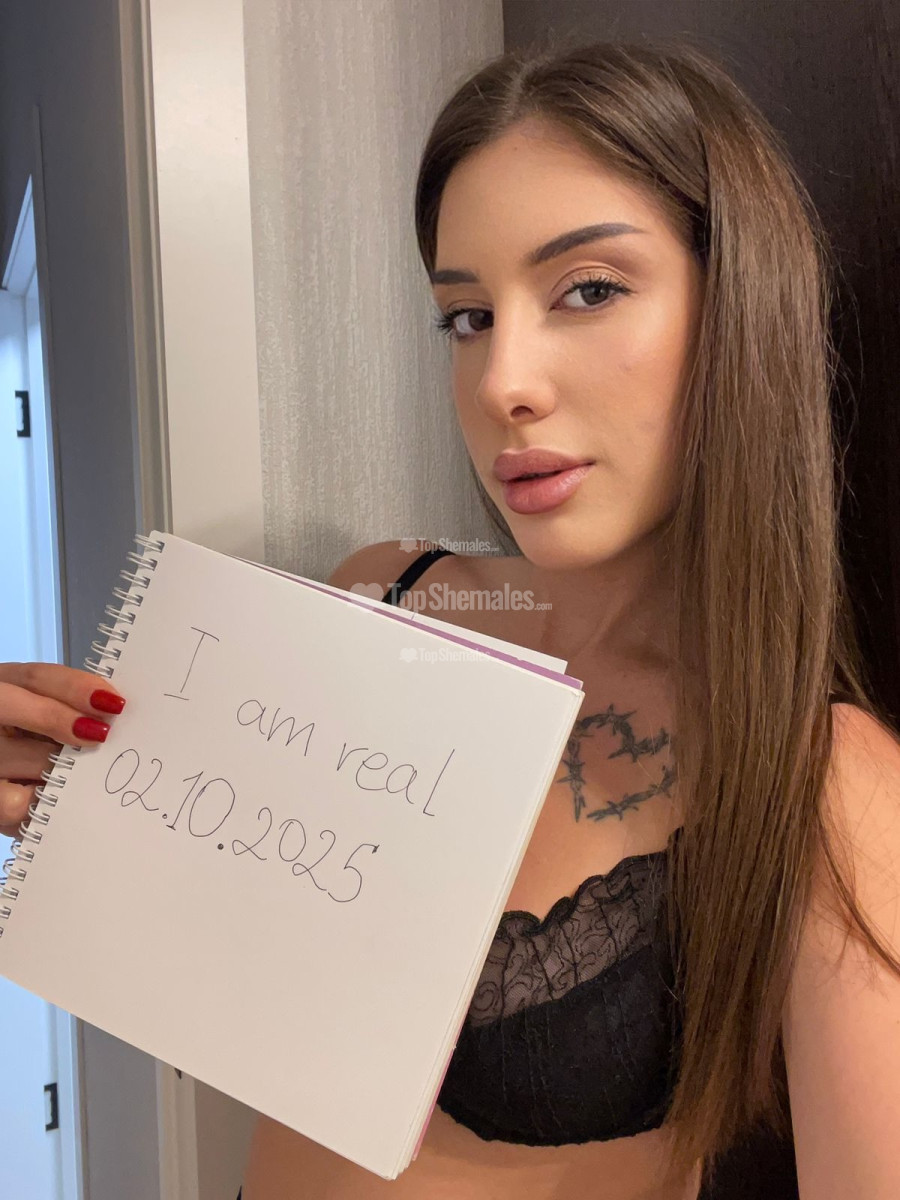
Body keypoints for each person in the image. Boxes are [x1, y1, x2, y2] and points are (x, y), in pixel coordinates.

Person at [3, 36, 898, 1200]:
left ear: (742, 310)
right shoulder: (390, 599)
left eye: (589, 290)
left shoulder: (825, 786)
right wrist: (82, 811)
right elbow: (218, 961)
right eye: (466, 316)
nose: (502, 382)